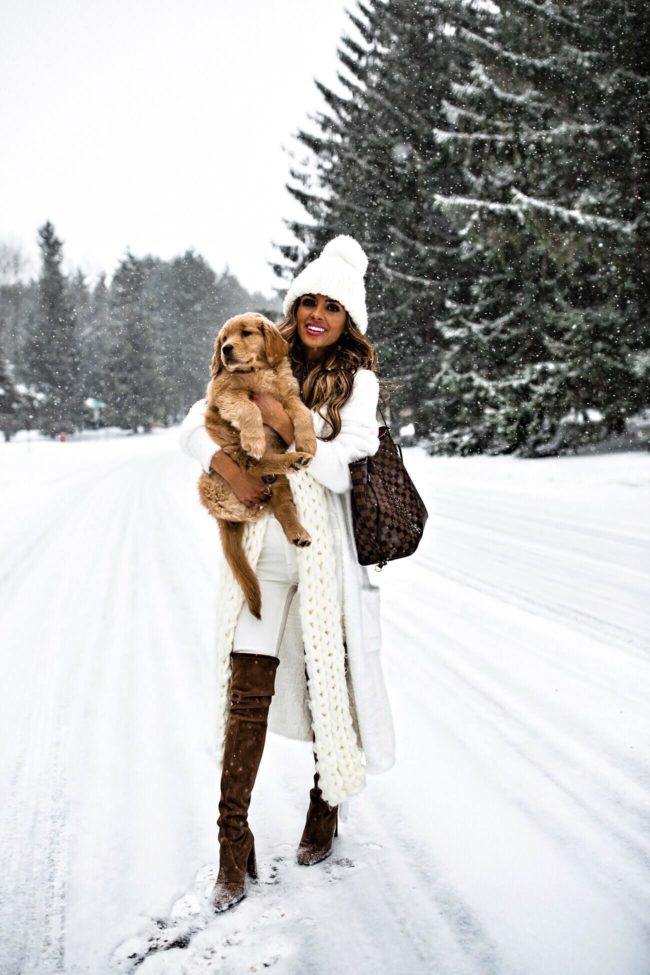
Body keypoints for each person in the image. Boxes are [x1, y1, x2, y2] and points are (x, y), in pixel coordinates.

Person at [178, 235, 395, 913]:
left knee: (331, 676)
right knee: (248, 686)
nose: (316, 315)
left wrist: (288, 433)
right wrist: (228, 464)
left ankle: (324, 803)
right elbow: (194, 425)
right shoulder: (262, 349)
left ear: (347, 319)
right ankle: (230, 840)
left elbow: (345, 464)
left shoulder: (359, 384)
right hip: (264, 547)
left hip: (324, 552)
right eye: (309, 300)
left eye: (332, 306)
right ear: (295, 304)